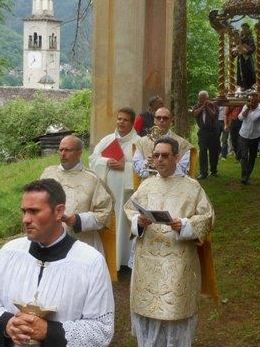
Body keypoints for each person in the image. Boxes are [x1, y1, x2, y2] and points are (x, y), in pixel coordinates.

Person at [0, 179, 114, 347]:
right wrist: (7, 324)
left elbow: (102, 328)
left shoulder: (89, 262)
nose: (25, 219)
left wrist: (48, 332)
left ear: (58, 211)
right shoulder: (10, 253)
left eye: (34, 211)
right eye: (23, 211)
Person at [124, 137, 216, 347]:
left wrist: (185, 225)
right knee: (149, 309)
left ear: (176, 158)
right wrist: (138, 222)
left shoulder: (193, 187)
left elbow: (207, 218)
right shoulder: (146, 186)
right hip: (148, 256)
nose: (160, 160)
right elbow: (130, 210)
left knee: (173, 310)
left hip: (178, 258)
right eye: (156, 155)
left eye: (165, 155)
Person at [41, 135, 116, 279]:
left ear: (80, 153)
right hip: (48, 240)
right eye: (61, 150)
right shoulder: (48, 174)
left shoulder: (92, 179)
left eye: (68, 150)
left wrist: (78, 220)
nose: (63, 154)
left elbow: (105, 213)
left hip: (82, 242)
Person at [89, 107, 140, 271]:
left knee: (124, 224)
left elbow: (145, 168)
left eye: (125, 119)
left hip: (127, 193)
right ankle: (109, 258)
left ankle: (124, 261)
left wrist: (125, 167)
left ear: (132, 123)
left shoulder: (139, 143)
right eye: (119, 119)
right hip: (108, 191)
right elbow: (93, 160)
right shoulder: (107, 141)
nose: (121, 122)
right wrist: (106, 162)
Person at [132, 106, 191, 179]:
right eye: (158, 118)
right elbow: (137, 169)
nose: (161, 120)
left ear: (171, 121)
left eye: (165, 118)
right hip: (148, 185)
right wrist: (147, 162)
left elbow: (183, 170)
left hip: (173, 184)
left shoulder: (183, 144)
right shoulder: (142, 142)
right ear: (154, 120)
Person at [191, 90, 220, 179]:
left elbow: (214, 116)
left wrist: (207, 107)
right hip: (203, 132)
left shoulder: (214, 105)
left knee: (213, 151)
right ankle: (203, 173)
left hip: (213, 132)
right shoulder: (197, 106)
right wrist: (202, 106)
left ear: (207, 98)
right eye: (200, 99)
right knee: (203, 152)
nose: (201, 101)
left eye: (203, 99)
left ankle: (213, 170)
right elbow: (194, 114)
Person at [237, 92, 260, 184]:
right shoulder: (246, 107)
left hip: (254, 136)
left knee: (252, 157)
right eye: (251, 101)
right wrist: (247, 109)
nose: (252, 103)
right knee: (244, 156)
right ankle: (244, 176)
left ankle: (247, 175)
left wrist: (249, 110)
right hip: (243, 134)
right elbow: (240, 118)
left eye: (254, 101)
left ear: (258, 101)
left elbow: (253, 119)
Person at [232, 22, 256, 91]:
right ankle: (242, 85)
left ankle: (249, 86)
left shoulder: (250, 37)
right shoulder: (240, 38)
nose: (244, 30)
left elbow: (253, 47)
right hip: (241, 58)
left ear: (248, 29)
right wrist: (236, 52)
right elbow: (236, 47)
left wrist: (246, 51)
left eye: (245, 28)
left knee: (249, 71)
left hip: (247, 58)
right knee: (240, 72)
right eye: (243, 28)